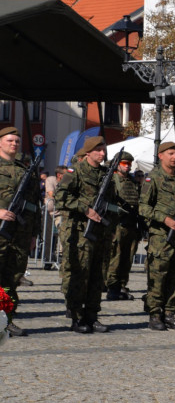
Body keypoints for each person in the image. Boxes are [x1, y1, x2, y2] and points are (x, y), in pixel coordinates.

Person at [56, 136, 114, 334]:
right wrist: (85, 209)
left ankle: (92, 315)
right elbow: (61, 197)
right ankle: (76, 316)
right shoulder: (76, 172)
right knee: (80, 274)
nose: (102, 153)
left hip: (102, 233)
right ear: (88, 152)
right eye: (98, 150)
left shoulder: (107, 174)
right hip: (81, 232)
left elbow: (112, 200)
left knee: (98, 275)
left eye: (103, 150)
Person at [140, 142, 175, 331]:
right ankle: (155, 315)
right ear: (161, 155)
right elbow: (143, 207)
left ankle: (170, 313)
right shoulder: (153, 179)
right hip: (161, 238)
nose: (174, 157)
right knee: (158, 277)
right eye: (170, 153)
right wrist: (164, 219)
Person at [0, 127, 40, 336]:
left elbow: (35, 204)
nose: (14, 144)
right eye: (9, 140)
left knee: (12, 278)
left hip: (20, 233)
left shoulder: (25, 171)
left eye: (16, 141)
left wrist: (34, 233)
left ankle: (7, 321)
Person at [104, 151, 140, 301]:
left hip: (131, 225)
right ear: (117, 165)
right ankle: (112, 287)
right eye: (125, 164)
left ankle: (122, 285)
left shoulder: (132, 182)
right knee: (115, 257)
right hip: (117, 224)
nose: (128, 167)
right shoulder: (111, 181)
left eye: (130, 164)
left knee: (128, 258)